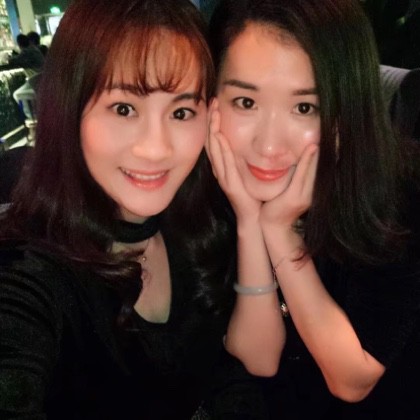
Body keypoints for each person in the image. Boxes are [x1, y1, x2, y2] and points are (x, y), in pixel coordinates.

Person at [0, 0, 267, 418]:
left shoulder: (200, 227)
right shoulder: (29, 273)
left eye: (181, 112)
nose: (156, 148)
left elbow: (232, 375)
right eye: (124, 109)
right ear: (69, 110)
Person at [207, 0, 420, 418]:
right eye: (245, 102)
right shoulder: (208, 191)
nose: (269, 146)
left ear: (346, 112)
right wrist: (251, 223)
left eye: (305, 108)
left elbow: (352, 379)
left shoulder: (400, 194)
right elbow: (259, 359)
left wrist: (281, 235)